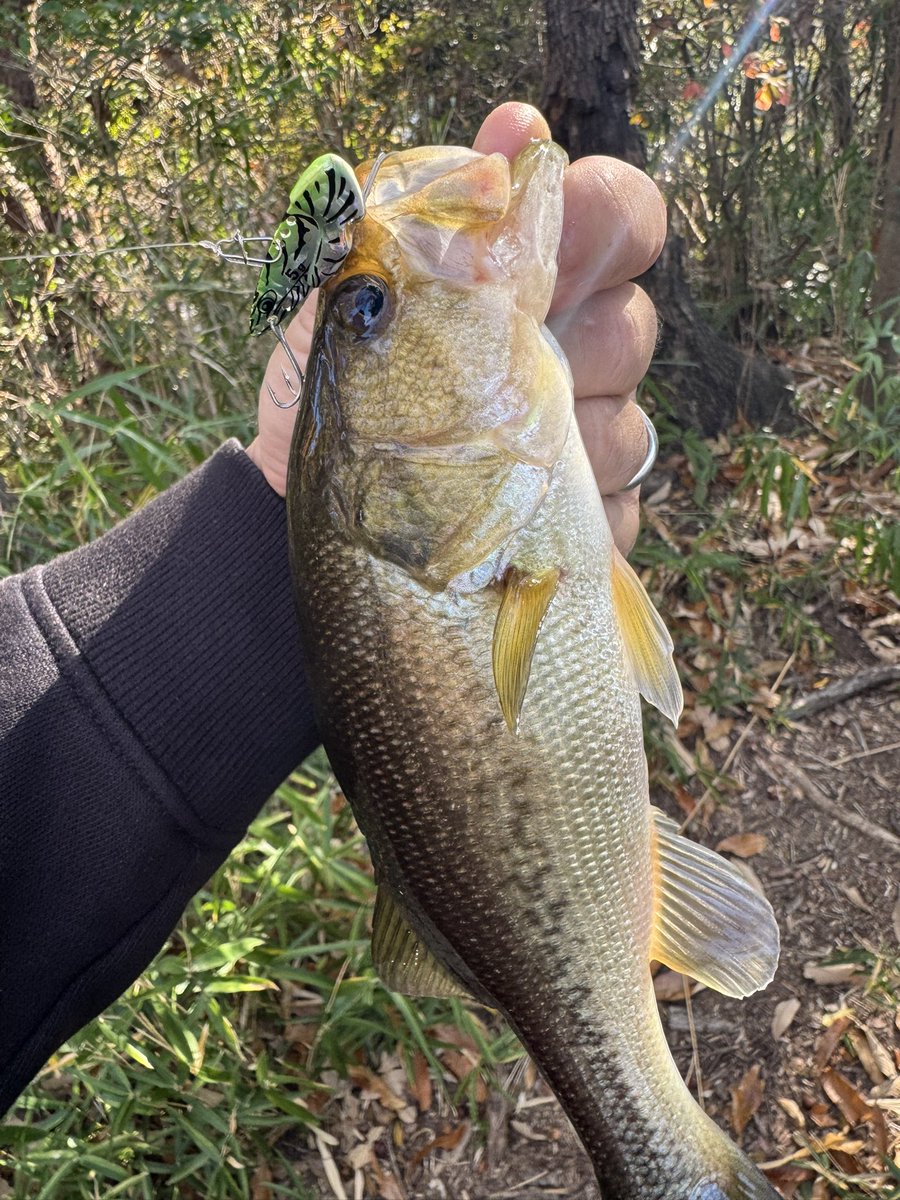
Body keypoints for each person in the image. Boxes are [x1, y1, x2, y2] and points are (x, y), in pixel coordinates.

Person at [0, 103, 666, 1114]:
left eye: (362, 310)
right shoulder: (424, 511)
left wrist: (274, 505)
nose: (380, 294)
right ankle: (645, 1128)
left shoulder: (406, 506)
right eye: (368, 312)